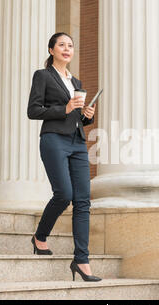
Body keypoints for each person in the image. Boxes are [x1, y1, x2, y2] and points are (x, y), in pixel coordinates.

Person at [27, 32, 101, 282]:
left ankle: (82, 260)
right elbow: (33, 110)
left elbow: (77, 118)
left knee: (83, 201)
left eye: (70, 45)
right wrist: (65, 108)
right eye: (62, 45)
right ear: (51, 50)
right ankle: (40, 237)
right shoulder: (43, 76)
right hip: (54, 140)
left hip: (78, 142)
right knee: (64, 195)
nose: (67, 49)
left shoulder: (76, 81)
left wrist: (87, 115)